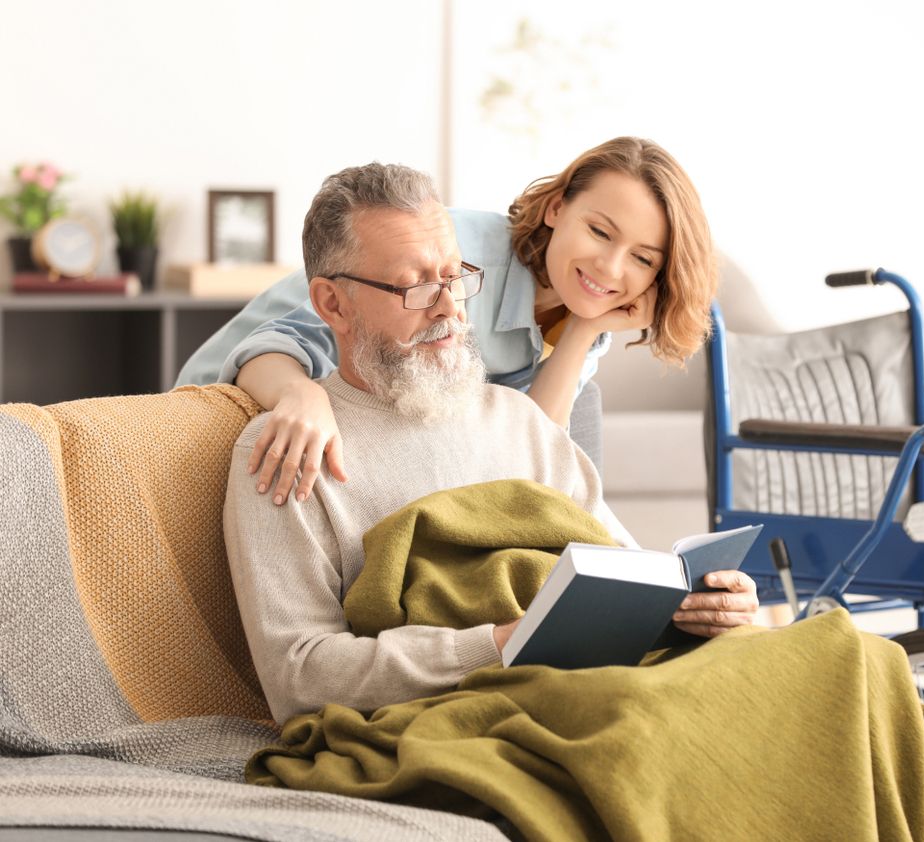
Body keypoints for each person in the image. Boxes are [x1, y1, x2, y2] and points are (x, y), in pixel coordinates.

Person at [222, 162, 756, 725]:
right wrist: (500, 644)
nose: (450, 309)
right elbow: (299, 676)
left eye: (455, 278)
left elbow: (627, 574)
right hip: (499, 715)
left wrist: (702, 603)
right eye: (418, 287)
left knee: (832, 656)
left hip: (599, 685)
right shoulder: (285, 452)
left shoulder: (521, 420)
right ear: (332, 305)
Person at [183, 136, 715, 508]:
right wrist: (301, 395)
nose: (611, 267)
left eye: (643, 259)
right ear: (556, 208)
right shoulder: (449, 260)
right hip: (230, 400)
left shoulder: (583, 308)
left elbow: (530, 453)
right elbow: (280, 340)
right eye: (600, 231)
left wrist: (582, 330)